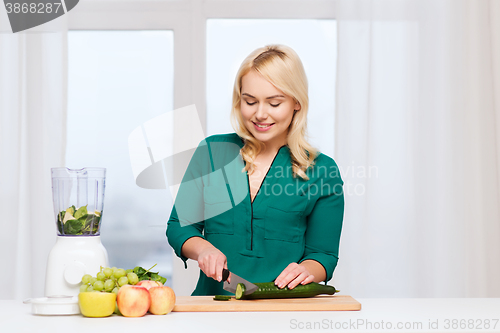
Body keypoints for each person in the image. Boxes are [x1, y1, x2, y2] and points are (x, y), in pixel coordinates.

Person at [166, 44, 344, 296]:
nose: (260, 114)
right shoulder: (212, 152)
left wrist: (307, 270)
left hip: (286, 311)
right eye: (250, 101)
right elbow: (180, 226)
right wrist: (204, 249)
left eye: (274, 103)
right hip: (211, 308)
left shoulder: (322, 170)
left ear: (296, 102)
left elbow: (323, 254)